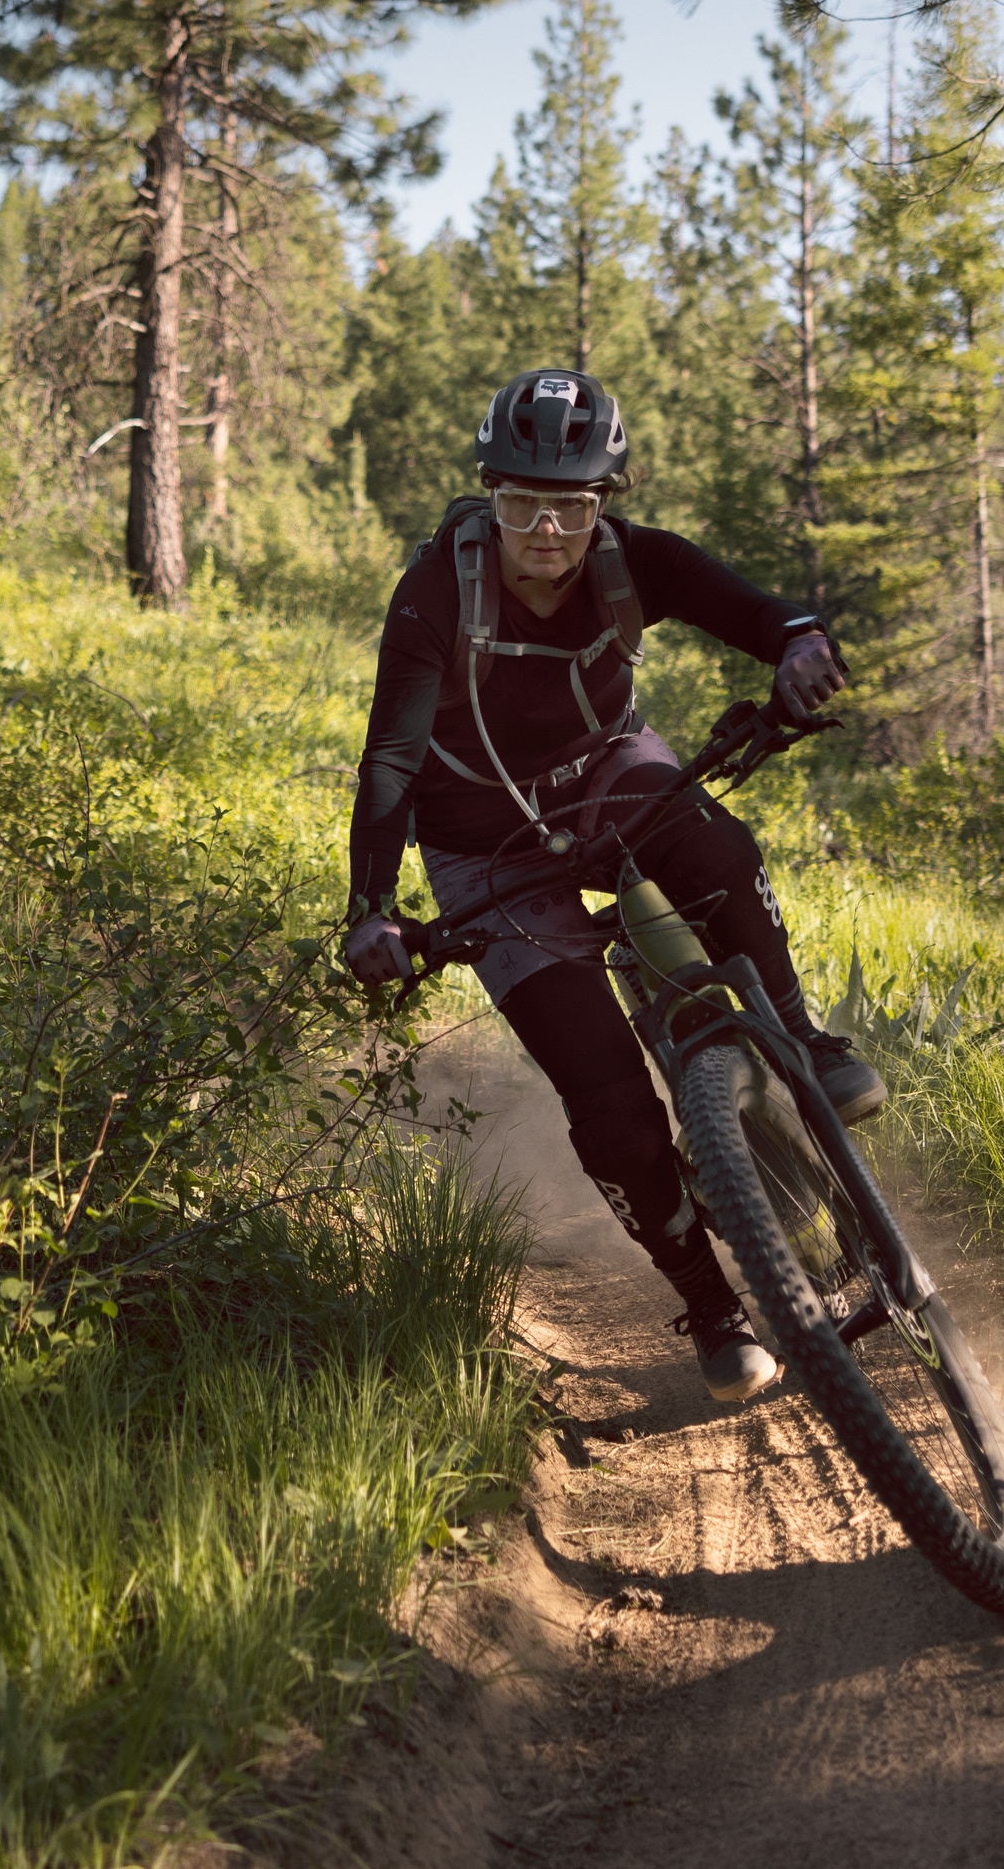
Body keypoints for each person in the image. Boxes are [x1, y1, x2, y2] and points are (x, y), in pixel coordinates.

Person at [338, 367, 880, 1409]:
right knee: (610, 1098)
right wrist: (370, 908)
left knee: (717, 850)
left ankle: (805, 1043)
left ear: (605, 501)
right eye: (520, 503)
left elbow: (764, 613)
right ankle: (711, 1305)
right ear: (487, 495)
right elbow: (390, 764)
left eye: (573, 505)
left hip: (607, 773)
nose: (546, 528)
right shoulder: (434, 595)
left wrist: (802, 644)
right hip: (481, 840)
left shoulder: (639, 562)